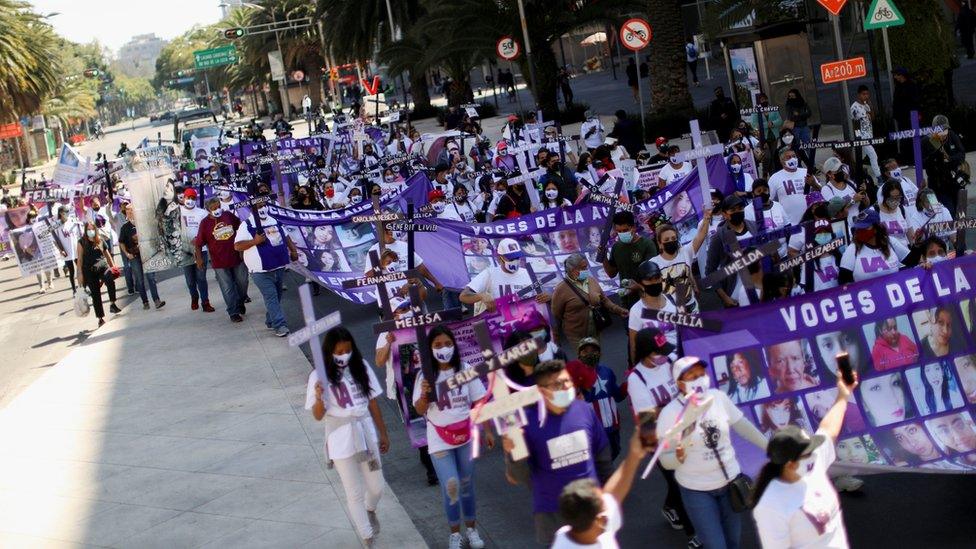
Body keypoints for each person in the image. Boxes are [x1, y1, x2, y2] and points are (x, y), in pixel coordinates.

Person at [656, 357, 768, 549]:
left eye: (701, 375)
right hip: (696, 490)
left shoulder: (718, 398)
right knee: (715, 545)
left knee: (733, 542)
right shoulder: (669, 413)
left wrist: (770, 447)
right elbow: (666, 461)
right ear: (680, 384)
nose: (699, 380)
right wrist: (678, 456)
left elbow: (743, 426)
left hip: (729, 484)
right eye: (692, 377)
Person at [503, 359, 612, 546]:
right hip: (552, 515)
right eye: (557, 384)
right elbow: (517, 476)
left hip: (591, 507)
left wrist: (607, 496)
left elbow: (602, 456)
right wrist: (513, 453)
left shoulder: (585, 410)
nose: (564, 388)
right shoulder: (527, 424)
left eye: (567, 381)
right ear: (541, 391)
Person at [751, 375, 858, 548]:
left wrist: (843, 394)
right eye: (808, 453)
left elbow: (828, 430)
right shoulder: (770, 506)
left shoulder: (812, 466)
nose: (814, 455)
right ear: (790, 465)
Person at [306, 326, 389, 545]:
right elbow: (317, 415)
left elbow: (373, 401)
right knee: (353, 492)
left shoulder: (361, 367)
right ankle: (367, 536)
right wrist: (318, 396)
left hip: (365, 435)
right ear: (329, 351)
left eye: (347, 350)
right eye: (339, 351)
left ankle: (370, 509)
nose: (344, 355)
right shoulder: (319, 376)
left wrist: (383, 433)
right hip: (340, 438)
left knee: (376, 486)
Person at [413, 325, 490, 549]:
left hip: (465, 436)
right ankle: (455, 534)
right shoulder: (424, 376)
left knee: (466, 484)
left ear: (454, 346)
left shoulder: (465, 369)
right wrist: (426, 394)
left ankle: (472, 530)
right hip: (438, 438)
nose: (443, 349)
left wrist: (487, 430)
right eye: (437, 345)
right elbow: (419, 409)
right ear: (430, 349)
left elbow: (478, 400)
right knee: (452, 485)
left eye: (447, 344)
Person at [626, 329, 699, 546]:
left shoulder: (670, 363)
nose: (664, 356)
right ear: (646, 353)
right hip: (661, 438)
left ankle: (670, 506)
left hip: (686, 429)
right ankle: (692, 534)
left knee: (687, 477)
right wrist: (673, 405)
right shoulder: (636, 379)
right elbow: (647, 417)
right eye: (658, 353)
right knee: (679, 483)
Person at [552, 428, 650, 549]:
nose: (607, 502)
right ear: (600, 520)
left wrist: (634, 454)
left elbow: (613, 494)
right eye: (603, 503)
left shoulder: (574, 530)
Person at [234, 193, 299, 337]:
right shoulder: (247, 225)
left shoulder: (274, 220)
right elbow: (237, 246)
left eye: (264, 206)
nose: (263, 209)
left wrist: (293, 250)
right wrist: (254, 242)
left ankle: (270, 320)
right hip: (260, 270)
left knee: (277, 296)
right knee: (271, 296)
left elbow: (286, 236)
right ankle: (279, 325)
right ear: (252, 210)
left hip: (279, 265)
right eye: (259, 207)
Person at [552, 254, 627, 351]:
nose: (586, 270)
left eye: (586, 266)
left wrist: (618, 310)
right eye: (584, 268)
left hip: (595, 329)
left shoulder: (591, 281)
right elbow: (556, 315)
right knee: (586, 360)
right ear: (573, 270)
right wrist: (556, 338)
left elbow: (604, 300)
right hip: (576, 335)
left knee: (596, 356)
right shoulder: (561, 289)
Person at [571, 338, 626, 462]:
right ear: (579, 355)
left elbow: (618, 396)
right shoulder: (575, 376)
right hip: (593, 429)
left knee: (615, 451)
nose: (590, 354)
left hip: (612, 425)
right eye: (585, 351)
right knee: (601, 461)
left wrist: (629, 385)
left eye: (594, 350)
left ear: (600, 353)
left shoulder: (607, 372)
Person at [461, 239, 551, 314]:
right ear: (500, 258)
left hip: (525, 324)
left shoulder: (529, 274)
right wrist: (481, 296)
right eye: (511, 258)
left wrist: (547, 296)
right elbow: (463, 296)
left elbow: (541, 296)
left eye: (517, 257)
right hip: (497, 327)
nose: (515, 261)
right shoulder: (489, 274)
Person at [195, 197, 249, 323]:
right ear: (208, 210)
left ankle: (240, 301)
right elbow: (198, 243)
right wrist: (199, 259)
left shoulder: (228, 216)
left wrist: (242, 248)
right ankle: (233, 311)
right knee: (227, 287)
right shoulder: (205, 223)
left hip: (237, 257)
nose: (217, 209)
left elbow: (240, 228)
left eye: (218, 206)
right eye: (213, 208)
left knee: (243, 282)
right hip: (219, 262)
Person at [705, 195, 759, 308]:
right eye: (733, 210)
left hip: (760, 291)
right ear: (724, 214)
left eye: (740, 208)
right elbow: (710, 271)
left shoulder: (755, 227)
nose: (738, 212)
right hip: (736, 298)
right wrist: (725, 298)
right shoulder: (719, 237)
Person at [651, 217, 711, 313]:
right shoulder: (653, 263)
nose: (671, 241)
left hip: (692, 307)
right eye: (667, 239)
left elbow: (701, 235)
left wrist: (707, 217)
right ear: (660, 244)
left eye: (673, 238)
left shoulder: (685, 252)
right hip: (671, 311)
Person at [601, 211, 656, 310]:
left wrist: (637, 287)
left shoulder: (647, 245)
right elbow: (611, 274)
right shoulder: (616, 247)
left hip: (647, 298)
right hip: (626, 303)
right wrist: (603, 256)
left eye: (625, 230)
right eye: (619, 231)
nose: (622, 234)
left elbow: (652, 276)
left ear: (633, 227)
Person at [628, 261, 680, 360]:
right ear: (641, 284)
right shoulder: (636, 311)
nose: (655, 282)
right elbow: (634, 347)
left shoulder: (674, 300)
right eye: (649, 280)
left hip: (679, 361)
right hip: (656, 366)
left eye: (657, 278)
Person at [839, 209, 908, 283]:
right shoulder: (852, 249)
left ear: (876, 228)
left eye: (865, 228)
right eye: (859, 228)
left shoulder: (890, 242)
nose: (861, 231)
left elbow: (912, 260)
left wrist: (917, 246)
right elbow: (843, 280)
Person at [118, 203, 165, 311]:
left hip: (147, 255)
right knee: (139, 280)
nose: (130, 213)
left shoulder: (143, 224)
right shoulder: (125, 228)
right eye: (128, 211)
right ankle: (145, 301)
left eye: (132, 210)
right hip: (134, 256)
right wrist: (126, 254)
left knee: (151, 278)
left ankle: (157, 300)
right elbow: (121, 242)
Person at [76, 221, 120, 327]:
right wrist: (80, 276)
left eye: (92, 229)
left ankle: (112, 303)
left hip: (102, 266)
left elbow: (107, 254)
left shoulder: (100, 240)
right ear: (85, 230)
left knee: (109, 280)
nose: (90, 231)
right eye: (88, 229)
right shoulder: (82, 242)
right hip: (89, 271)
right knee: (95, 294)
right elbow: (80, 260)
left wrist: (113, 267)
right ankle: (100, 318)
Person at [922, 115, 968, 215]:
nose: (943, 133)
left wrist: (950, 159)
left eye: (945, 129)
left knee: (961, 211)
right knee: (944, 212)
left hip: (955, 179)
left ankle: (959, 230)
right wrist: (935, 156)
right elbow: (922, 163)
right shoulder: (926, 140)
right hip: (937, 183)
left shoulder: (952, 134)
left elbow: (962, 153)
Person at [179, 189, 213, 312]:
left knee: (201, 278)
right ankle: (194, 297)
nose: (190, 201)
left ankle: (205, 302)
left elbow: (207, 231)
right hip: (185, 251)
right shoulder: (178, 212)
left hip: (201, 250)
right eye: (188, 198)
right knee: (190, 280)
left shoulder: (202, 213)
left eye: (193, 198)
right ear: (184, 198)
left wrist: (200, 240)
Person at [769, 149, 815, 225]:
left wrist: (814, 184)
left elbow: (820, 192)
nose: (792, 159)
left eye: (794, 156)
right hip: (790, 225)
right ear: (782, 161)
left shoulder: (806, 172)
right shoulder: (775, 178)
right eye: (788, 157)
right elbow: (769, 201)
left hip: (810, 222)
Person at [850, 85, 882, 179]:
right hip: (862, 137)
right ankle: (879, 176)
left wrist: (871, 107)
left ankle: (852, 171)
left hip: (869, 135)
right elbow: (854, 123)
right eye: (864, 94)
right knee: (873, 155)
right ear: (859, 95)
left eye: (867, 94)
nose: (866, 96)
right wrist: (858, 137)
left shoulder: (867, 105)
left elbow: (872, 119)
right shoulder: (854, 107)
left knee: (860, 157)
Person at [877, 180, 913, 249]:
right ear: (885, 196)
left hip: (904, 253)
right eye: (892, 198)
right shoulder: (875, 211)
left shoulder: (902, 210)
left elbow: (911, 237)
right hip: (886, 254)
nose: (895, 201)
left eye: (898, 197)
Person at [54, 206, 81, 295]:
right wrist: (60, 250)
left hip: (75, 248)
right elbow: (54, 240)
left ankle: (83, 286)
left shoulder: (72, 221)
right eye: (65, 212)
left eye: (68, 211)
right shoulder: (57, 225)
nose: (67, 214)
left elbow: (79, 234)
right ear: (61, 213)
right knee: (71, 271)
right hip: (66, 251)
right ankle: (74, 289)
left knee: (80, 268)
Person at [784, 89, 813, 154]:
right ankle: (798, 162)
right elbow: (790, 117)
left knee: (808, 145)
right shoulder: (789, 105)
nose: (791, 98)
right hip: (795, 128)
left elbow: (809, 113)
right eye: (790, 96)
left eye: (793, 96)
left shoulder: (803, 103)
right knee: (796, 146)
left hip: (804, 126)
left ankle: (811, 161)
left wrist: (799, 115)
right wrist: (802, 116)